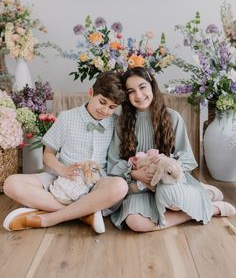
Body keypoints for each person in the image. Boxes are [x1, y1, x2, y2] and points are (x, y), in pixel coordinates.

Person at [107, 67, 236, 232]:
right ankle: (209, 208)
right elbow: (113, 163)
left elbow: (187, 159)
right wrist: (134, 173)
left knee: (174, 203)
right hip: (140, 188)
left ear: (152, 86)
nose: (138, 95)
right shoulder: (122, 123)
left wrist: (167, 164)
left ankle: (199, 196)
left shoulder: (172, 117)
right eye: (131, 91)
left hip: (168, 183)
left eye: (142, 87)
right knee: (135, 223)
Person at [3, 72, 128, 233]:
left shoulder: (115, 123)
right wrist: (62, 170)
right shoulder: (67, 118)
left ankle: (51, 218)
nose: (105, 110)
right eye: (102, 102)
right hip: (62, 178)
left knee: (120, 186)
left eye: (112, 107)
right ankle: (85, 213)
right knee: (11, 184)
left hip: (96, 183)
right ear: (91, 93)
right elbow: (47, 154)